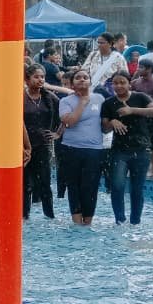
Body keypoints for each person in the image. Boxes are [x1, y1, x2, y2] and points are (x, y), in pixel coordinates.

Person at [100, 72, 153, 225]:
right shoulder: (109, 103)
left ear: (129, 83)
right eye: (115, 83)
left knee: (137, 188)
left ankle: (135, 222)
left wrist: (132, 110)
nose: (119, 86)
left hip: (141, 149)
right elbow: (104, 128)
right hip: (119, 151)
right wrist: (113, 122)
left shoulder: (140, 97)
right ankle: (120, 221)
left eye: (122, 82)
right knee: (117, 186)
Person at [58, 70, 106, 226]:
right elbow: (70, 122)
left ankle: (88, 221)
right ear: (72, 83)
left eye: (85, 77)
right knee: (74, 185)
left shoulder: (99, 99)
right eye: (78, 78)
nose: (82, 80)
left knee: (91, 186)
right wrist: (82, 103)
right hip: (71, 148)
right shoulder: (66, 101)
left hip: (94, 150)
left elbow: (105, 123)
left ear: (90, 82)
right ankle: (77, 222)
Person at [22, 64, 62, 219]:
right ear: (27, 79)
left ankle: (49, 215)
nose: (40, 80)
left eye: (42, 77)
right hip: (24, 146)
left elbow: (64, 115)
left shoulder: (49, 97)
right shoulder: (21, 97)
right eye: (36, 77)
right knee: (25, 184)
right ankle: (24, 216)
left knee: (45, 182)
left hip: (43, 145)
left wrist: (57, 133)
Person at [82, 32, 129, 98]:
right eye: (98, 42)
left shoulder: (118, 58)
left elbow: (124, 76)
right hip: (91, 91)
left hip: (110, 93)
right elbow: (84, 71)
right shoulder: (93, 55)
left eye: (102, 43)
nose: (99, 45)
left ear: (110, 44)